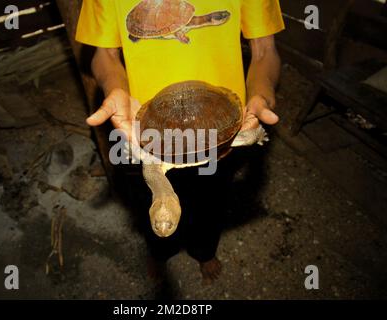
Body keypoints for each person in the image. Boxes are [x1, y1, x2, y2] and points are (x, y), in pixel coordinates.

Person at [76, 0, 285, 283]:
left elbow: (264, 51)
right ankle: (160, 254)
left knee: (211, 201)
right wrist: (115, 88)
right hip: (149, 133)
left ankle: (204, 251)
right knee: (155, 212)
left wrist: (262, 94)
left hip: (216, 135)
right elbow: (104, 54)